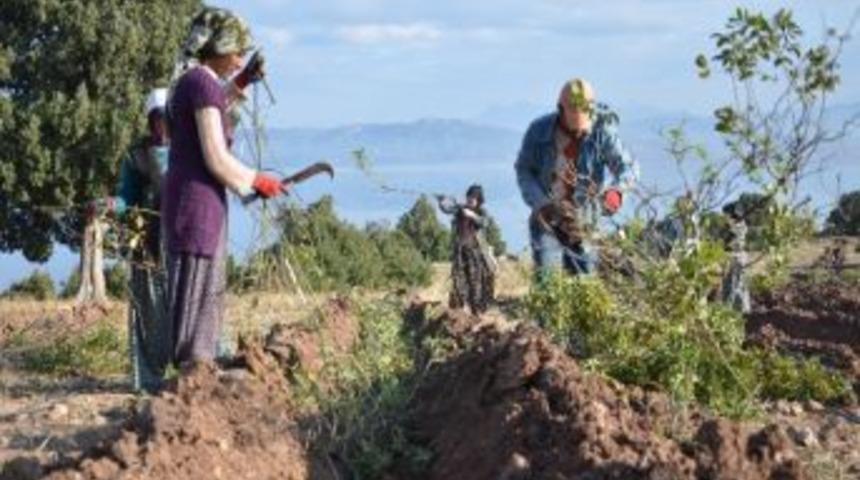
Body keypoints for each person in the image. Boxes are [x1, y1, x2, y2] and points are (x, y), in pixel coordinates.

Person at [162, 7, 285, 368]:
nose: (239, 59)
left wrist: (244, 80)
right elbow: (215, 156)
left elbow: (214, 106)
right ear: (220, 46)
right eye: (238, 52)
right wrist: (256, 180)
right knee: (198, 290)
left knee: (200, 286)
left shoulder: (193, 81)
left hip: (193, 200)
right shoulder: (200, 84)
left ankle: (198, 367)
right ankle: (195, 370)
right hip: (196, 202)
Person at [88, 88, 171, 393]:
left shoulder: (189, 148)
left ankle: (194, 370)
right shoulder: (137, 155)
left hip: (181, 237)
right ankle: (150, 379)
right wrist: (112, 204)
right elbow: (127, 196)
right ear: (152, 121)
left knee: (184, 305)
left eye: (169, 118)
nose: (164, 125)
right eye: (159, 119)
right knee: (149, 309)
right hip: (148, 239)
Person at [515, 78, 637, 277]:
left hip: (584, 221)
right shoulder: (538, 132)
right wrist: (541, 203)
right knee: (548, 281)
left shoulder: (602, 132)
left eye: (584, 126)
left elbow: (628, 167)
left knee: (585, 283)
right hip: (548, 220)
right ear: (561, 110)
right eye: (575, 126)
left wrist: (617, 191)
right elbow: (524, 171)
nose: (580, 131)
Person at [437, 184, 496, 315]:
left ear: (479, 199)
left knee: (476, 281)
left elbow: (484, 223)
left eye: (474, 197)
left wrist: (472, 215)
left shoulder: (481, 212)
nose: (470, 199)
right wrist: (441, 202)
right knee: (459, 279)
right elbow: (447, 209)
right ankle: (461, 309)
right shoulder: (460, 209)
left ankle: (478, 310)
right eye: (469, 196)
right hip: (460, 250)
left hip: (476, 251)